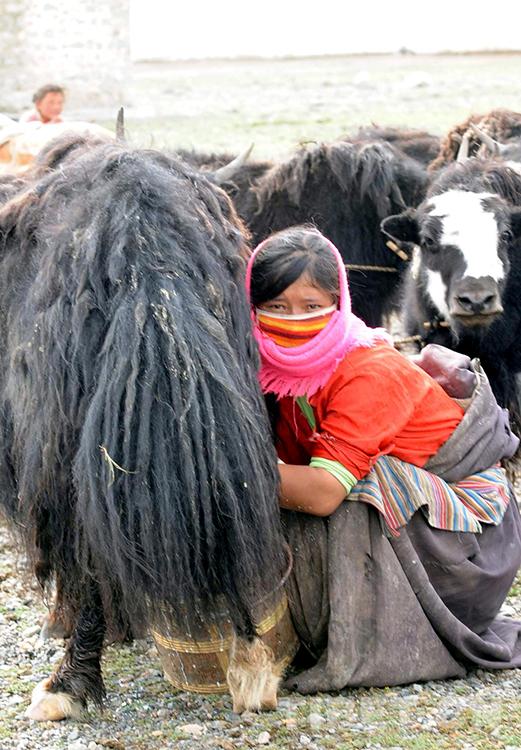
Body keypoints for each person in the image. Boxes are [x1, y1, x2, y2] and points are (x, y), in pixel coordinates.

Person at [246, 225, 521, 692]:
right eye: (275, 307)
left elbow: (322, 493)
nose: (293, 322)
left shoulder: (367, 368)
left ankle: (365, 623)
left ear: (340, 304)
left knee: (362, 485)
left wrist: (226, 470)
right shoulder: (273, 371)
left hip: (462, 555)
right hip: (413, 532)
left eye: (312, 307)